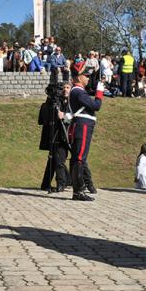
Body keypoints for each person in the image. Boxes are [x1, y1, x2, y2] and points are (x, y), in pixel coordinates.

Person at [67, 61, 104, 201]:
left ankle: (78, 190)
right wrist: (100, 92)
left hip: (81, 126)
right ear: (78, 77)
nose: (88, 78)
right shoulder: (77, 91)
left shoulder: (78, 92)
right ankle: (79, 191)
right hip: (82, 126)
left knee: (78, 158)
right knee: (79, 159)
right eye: (86, 75)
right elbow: (96, 105)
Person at [39, 82, 70, 193]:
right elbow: (42, 120)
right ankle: (60, 184)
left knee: (54, 160)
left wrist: (64, 114)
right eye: (62, 88)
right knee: (57, 160)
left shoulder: (66, 102)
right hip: (57, 136)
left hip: (61, 134)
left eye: (67, 88)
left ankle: (47, 183)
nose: (64, 90)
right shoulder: (52, 103)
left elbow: (69, 117)